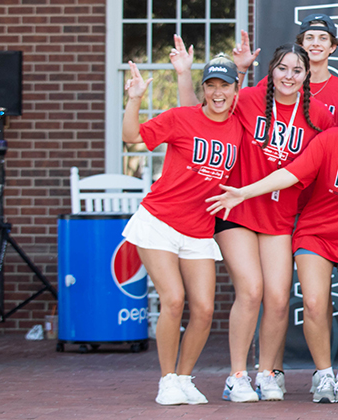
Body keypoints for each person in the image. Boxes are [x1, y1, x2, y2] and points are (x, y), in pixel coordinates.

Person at [206, 85, 338, 404]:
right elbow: (289, 174)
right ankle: (324, 373)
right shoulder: (330, 140)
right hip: (317, 235)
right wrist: (244, 192)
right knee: (313, 303)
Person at [172, 41, 333, 402]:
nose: (288, 76)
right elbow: (194, 119)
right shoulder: (248, 100)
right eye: (282, 68)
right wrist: (215, 72)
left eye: (296, 70)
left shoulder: (319, 115)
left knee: (277, 298)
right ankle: (237, 376)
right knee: (251, 289)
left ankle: (266, 373)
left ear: (307, 75)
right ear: (271, 72)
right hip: (237, 209)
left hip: (279, 214)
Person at [121, 57, 243, 406]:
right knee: (173, 299)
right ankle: (166, 380)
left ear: (235, 90)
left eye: (225, 86)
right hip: (159, 220)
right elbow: (132, 137)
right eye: (211, 86)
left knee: (204, 308)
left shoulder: (238, 126)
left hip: (199, 229)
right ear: (203, 90)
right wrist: (135, 98)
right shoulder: (181, 118)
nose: (218, 93)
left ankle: (185, 377)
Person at [231, 14, 338, 127]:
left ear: (332, 47)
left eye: (323, 38)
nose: (315, 43)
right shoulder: (279, 82)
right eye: (309, 38)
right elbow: (234, 107)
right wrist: (241, 69)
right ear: (300, 45)